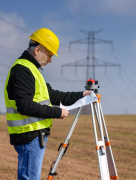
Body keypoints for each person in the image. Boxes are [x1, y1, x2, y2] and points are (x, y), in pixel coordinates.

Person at [4, 28, 91, 180]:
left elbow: (55, 96)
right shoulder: (22, 70)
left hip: (33, 135)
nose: (50, 60)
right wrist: (57, 112)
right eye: (50, 55)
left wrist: (82, 95)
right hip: (29, 136)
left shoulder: (32, 70)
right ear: (38, 50)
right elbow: (25, 106)